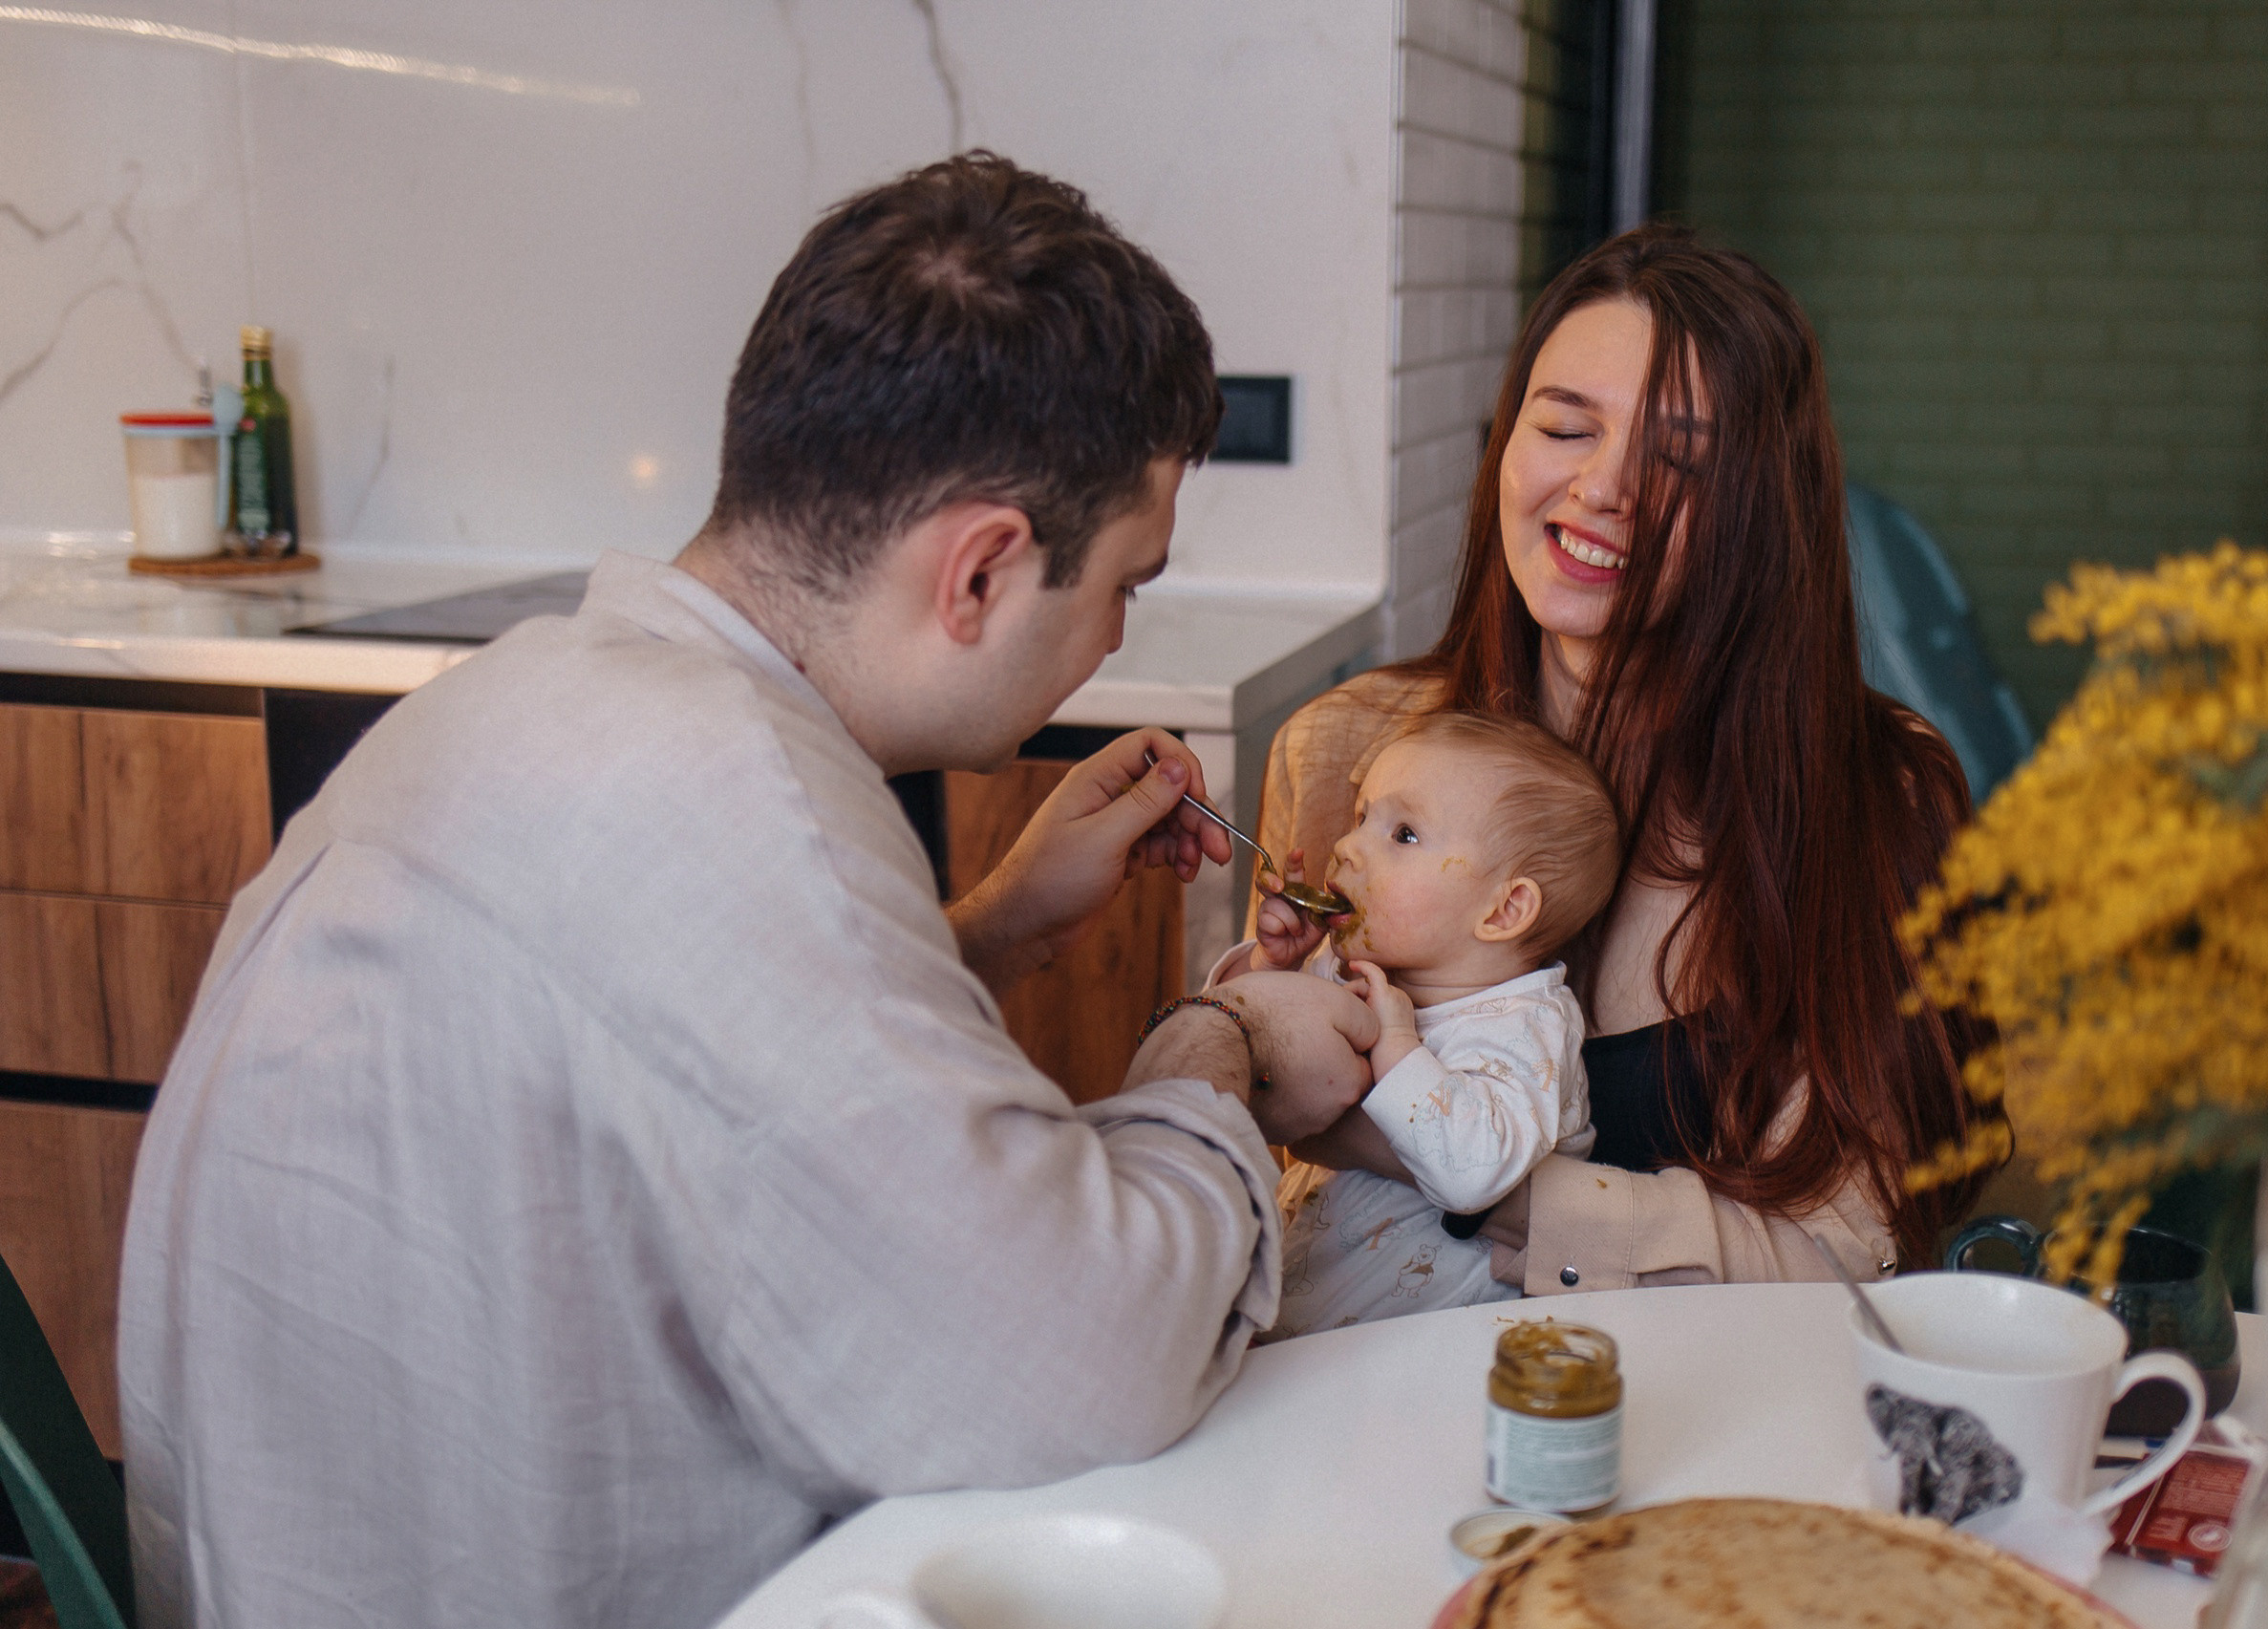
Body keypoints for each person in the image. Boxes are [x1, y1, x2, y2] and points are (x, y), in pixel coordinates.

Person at [118, 155, 1379, 1629]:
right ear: (979, 572)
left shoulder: (544, 695)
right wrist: (1211, 1055)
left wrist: (1003, 923)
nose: (1112, 633)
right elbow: (1079, 1355)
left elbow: (696, 1085)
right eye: (1125, 581)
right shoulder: (738, 808)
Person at [1258, 224, 1991, 1296]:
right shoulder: (1351, 750)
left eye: (1680, 460)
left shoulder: (1875, 795)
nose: (1604, 489)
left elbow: (1848, 1249)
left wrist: (1480, 1174)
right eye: (1562, 427)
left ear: (1762, 512)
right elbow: (1283, 1112)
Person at [1213, 712, 1623, 1339]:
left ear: (1504, 908)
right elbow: (1233, 1048)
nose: (1348, 847)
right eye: (1360, 818)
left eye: (1402, 834)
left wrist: (1400, 1048)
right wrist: (1274, 965)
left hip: (1430, 1358)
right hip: (1303, 1317)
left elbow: (1472, 1175)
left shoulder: (1526, 1024)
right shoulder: (1361, 970)